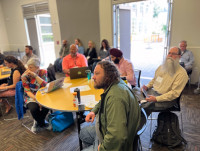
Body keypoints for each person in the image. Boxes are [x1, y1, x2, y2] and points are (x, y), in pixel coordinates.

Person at [80, 61, 140, 151]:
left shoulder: (115, 98)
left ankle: (97, 146)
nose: (93, 77)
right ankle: (96, 144)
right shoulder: (117, 84)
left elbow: (117, 136)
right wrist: (94, 111)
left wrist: (103, 148)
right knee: (83, 133)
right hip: (105, 130)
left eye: (97, 73)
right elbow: (103, 100)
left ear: (107, 76)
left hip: (114, 144)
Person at [140, 47, 188, 113]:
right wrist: (147, 86)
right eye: (169, 53)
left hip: (166, 100)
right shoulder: (162, 67)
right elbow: (155, 80)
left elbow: (174, 93)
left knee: (141, 107)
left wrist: (156, 99)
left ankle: (136, 120)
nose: (170, 56)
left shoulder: (181, 73)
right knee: (135, 92)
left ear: (179, 56)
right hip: (153, 93)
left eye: (173, 54)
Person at [21, 58, 49, 132]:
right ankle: (42, 122)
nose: (28, 70)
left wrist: (36, 76)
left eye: (31, 68)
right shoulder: (24, 76)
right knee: (34, 108)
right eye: (28, 67)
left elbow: (45, 85)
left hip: (43, 93)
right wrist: (37, 100)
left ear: (37, 68)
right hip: (31, 96)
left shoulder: (43, 72)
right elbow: (27, 91)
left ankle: (38, 120)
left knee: (47, 106)